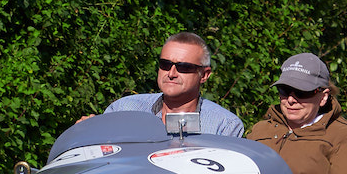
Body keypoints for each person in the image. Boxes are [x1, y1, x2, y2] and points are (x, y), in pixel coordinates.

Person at [94, 32, 245, 136]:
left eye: (184, 67)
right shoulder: (123, 109)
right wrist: (88, 130)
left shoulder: (224, 126)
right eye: (165, 64)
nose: (171, 73)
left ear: (204, 75)